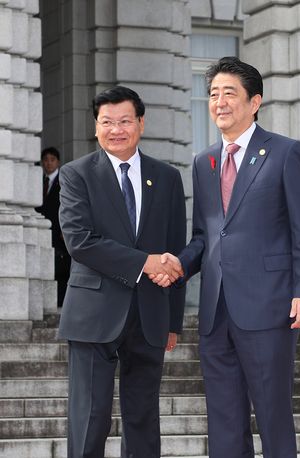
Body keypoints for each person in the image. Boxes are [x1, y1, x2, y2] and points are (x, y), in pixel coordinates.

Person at [153, 57, 300, 457]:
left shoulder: (284, 153)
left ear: (254, 101)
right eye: (213, 94)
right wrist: (178, 264)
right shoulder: (203, 160)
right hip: (216, 311)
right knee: (223, 418)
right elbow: (206, 236)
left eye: (229, 93)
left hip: (269, 306)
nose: (219, 102)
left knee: (273, 415)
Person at [57, 85, 186, 458]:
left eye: (125, 121)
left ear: (141, 123)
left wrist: (173, 320)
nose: (116, 129)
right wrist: (145, 262)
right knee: (90, 417)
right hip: (93, 313)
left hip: (150, 313)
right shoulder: (76, 174)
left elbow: (175, 248)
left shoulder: (167, 177)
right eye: (107, 122)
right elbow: (80, 241)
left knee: (143, 415)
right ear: (96, 127)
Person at [35, 147, 71, 307]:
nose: (48, 163)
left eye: (52, 160)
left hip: (59, 234)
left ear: (58, 162)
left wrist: (67, 229)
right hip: (42, 232)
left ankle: (61, 302)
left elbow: (70, 206)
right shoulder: (39, 182)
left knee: (60, 269)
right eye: (46, 160)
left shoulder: (64, 182)